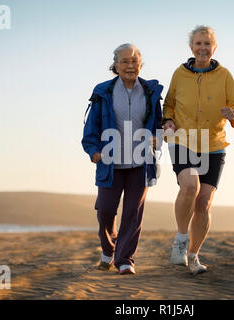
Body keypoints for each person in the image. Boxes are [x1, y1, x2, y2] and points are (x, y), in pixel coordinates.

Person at [162, 26, 234, 275]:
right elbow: (169, 104)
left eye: (207, 44)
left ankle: (193, 255)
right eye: (198, 44)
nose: (202, 48)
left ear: (214, 47)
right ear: (191, 48)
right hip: (183, 139)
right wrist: (168, 120)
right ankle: (180, 239)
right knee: (190, 186)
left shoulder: (224, 75)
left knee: (204, 204)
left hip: (213, 144)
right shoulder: (180, 74)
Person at [82, 43, 163, 275]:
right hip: (110, 163)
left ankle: (125, 259)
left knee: (132, 213)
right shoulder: (103, 92)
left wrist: (158, 137)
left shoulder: (150, 92)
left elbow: (158, 123)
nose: (130, 65)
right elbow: (91, 127)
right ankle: (109, 249)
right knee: (105, 211)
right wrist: (93, 150)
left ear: (141, 64)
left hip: (140, 162)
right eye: (125, 61)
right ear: (115, 65)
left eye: (134, 61)